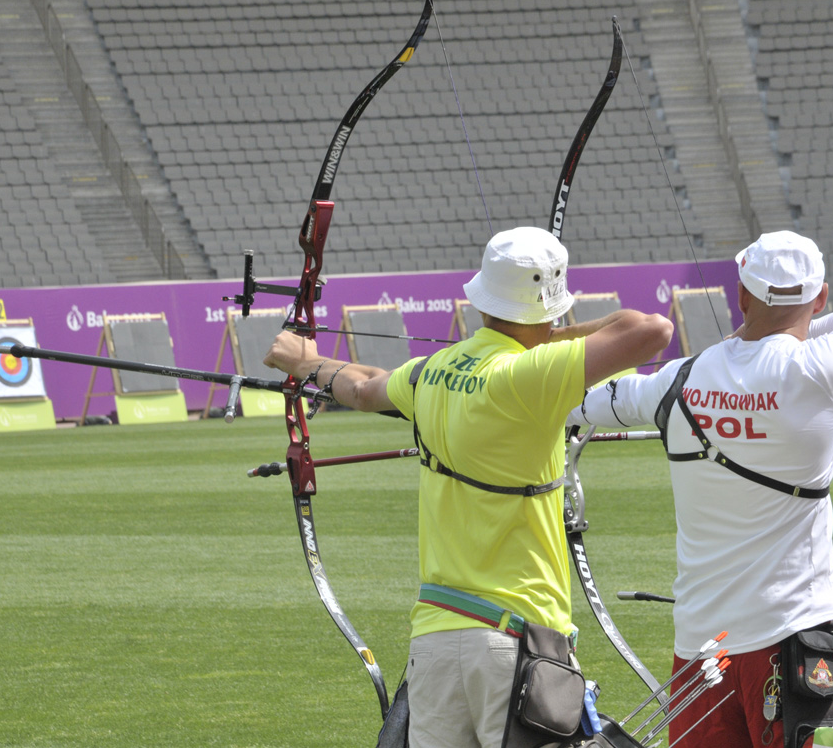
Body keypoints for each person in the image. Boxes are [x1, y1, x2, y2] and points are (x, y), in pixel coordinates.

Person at [264, 225, 672, 748]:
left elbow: (364, 386)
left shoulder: (433, 370)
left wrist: (303, 361)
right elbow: (648, 328)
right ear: (548, 307)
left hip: (435, 639)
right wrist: (550, 335)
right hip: (517, 640)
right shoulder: (532, 375)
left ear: (483, 298)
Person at [566, 231, 833, 747]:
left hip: (702, 653)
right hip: (794, 640)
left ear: (741, 294)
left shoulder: (676, 380)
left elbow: (587, 402)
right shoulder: (822, 367)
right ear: (819, 298)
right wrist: (798, 324)